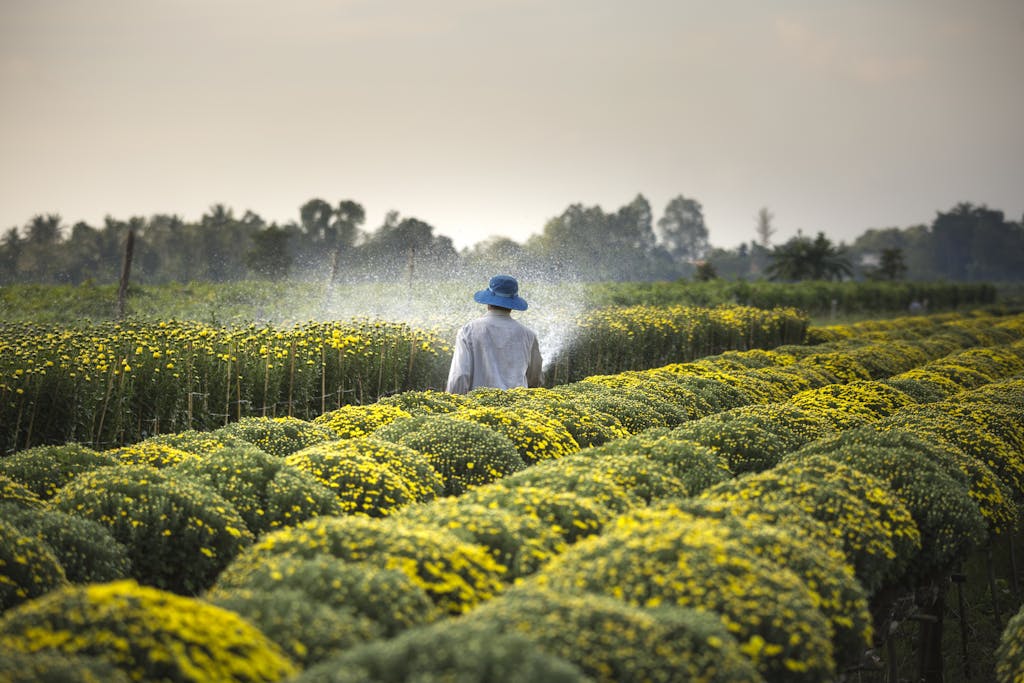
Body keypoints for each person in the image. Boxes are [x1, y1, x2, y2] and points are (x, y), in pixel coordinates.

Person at [445, 274, 543, 394]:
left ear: (488, 302)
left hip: (477, 407)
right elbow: (534, 378)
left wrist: (453, 404)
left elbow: (459, 376)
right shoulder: (528, 335)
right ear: (512, 304)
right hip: (517, 407)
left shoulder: (468, 331)